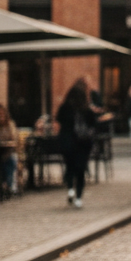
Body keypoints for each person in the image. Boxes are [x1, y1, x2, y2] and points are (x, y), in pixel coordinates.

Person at [55, 80, 96, 209]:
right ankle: (78, 197)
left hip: (67, 142)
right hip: (83, 144)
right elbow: (94, 125)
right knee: (80, 170)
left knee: (70, 167)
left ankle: (70, 189)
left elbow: (58, 120)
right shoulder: (87, 110)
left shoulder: (64, 108)